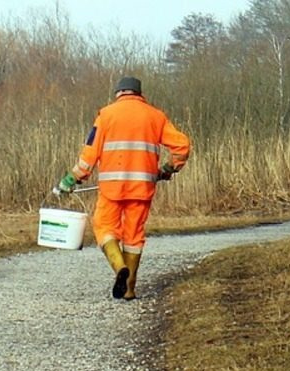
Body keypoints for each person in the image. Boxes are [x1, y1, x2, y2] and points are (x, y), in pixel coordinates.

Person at [56, 76, 191, 300]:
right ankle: (129, 289)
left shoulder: (106, 115)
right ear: (140, 94)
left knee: (104, 227)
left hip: (112, 188)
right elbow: (182, 147)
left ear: (118, 93)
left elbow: (90, 154)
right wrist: (168, 169)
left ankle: (120, 268)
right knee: (134, 236)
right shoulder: (156, 116)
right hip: (142, 187)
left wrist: (73, 178)